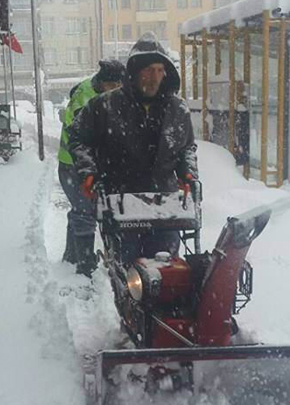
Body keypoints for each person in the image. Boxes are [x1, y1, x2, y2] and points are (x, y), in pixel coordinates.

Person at [68, 32, 198, 268]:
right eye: (148, 70)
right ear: (135, 72)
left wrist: (187, 171)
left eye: (159, 70)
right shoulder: (105, 106)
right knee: (128, 276)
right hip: (120, 205)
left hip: (164, 208)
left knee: (166, 272)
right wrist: (88, 170)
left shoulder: (177, 110)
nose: (154, 78)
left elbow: (187, 147)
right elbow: (77, 137)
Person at [58, 59, 126, 275]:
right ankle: (85, 266)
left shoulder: (103, 93)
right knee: (85, 211)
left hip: (84, 165)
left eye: (120, 86)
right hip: (73, 165)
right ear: (103, 82)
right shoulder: (85, 99)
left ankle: (71, 256)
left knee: (80, 210)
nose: (117, 90)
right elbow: (84, 138)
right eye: (113, 85)